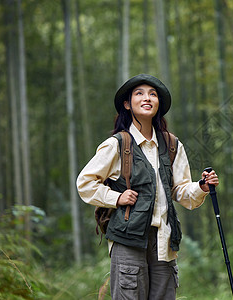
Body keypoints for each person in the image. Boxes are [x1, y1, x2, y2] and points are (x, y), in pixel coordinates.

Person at [76, 74, 219, 299]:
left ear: (158, 103)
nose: (147, 98)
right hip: (128, 240)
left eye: (153, 94)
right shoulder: (117, 144)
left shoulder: (172, 145)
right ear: (127, 103)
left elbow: (179, 191)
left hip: (164, 243)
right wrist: (117, 198)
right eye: (139, 93)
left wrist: (201, 186)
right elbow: (85, 183)